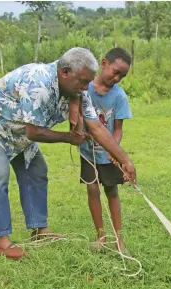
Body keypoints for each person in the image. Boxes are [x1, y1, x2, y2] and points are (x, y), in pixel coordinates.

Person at [0, 47, 137, 260]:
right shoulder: (39, 84)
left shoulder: (78, 91)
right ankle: (1, 240)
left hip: (17, 129)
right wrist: (67, 137)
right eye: (82, 81)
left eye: (88, 82)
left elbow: (97, 128)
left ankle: (38, 231)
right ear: (65, 72)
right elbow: (34, 132)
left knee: (36, 169)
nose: (85, 87)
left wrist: (124, 159)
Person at [71, 47, 133, 254]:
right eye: (115, 72)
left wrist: (113, 150)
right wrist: (80, 131)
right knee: (92, 190)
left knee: (112, 191)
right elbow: (78, 119)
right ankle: (101, 237)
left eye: (122, 76)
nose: (117, 78)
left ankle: (118, 239)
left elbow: (118, 129)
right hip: (88, 153)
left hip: (108, 155)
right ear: (104, 63)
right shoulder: (83, 89)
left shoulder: (119, 97)